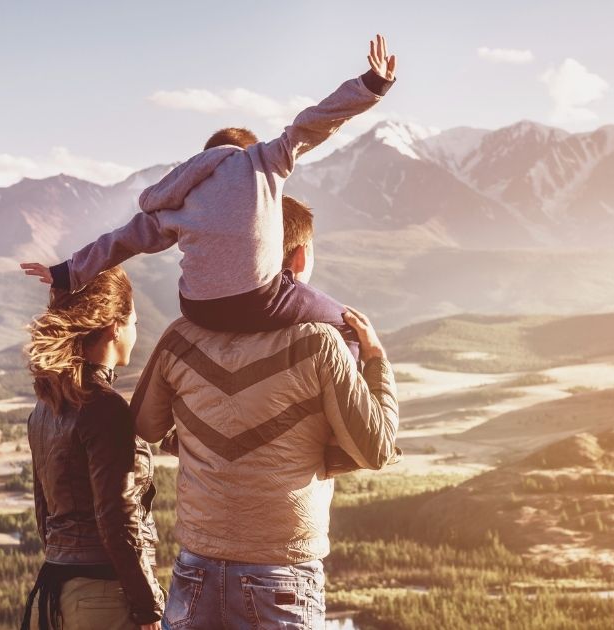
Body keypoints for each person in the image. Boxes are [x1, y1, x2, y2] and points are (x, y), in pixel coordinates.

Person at [20, 34, 398, 360]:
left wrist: (65, 272)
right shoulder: (262, 161)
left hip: (198, 309)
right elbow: (313, 123)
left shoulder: (179, 198)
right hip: (259, 298)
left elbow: (122, 240)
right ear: (245, 149)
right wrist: (371, 86)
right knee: (349, 327)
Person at [130, 195, 399, 629]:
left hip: (195, 567)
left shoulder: (180, 337)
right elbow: (377, 450)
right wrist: (376, 362)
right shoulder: (319, 343)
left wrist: (195, 433)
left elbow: (143, 424)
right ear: (300, 256)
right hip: (282, 572)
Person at [21, 266, 164, 630]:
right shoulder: (105, 406)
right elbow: (117, 518)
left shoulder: (46, 407)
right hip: (103, 599)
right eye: (134, 321)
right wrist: (149, 608)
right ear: (115, 326)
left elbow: (45, 514)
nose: (136, 331)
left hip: (57, 591)